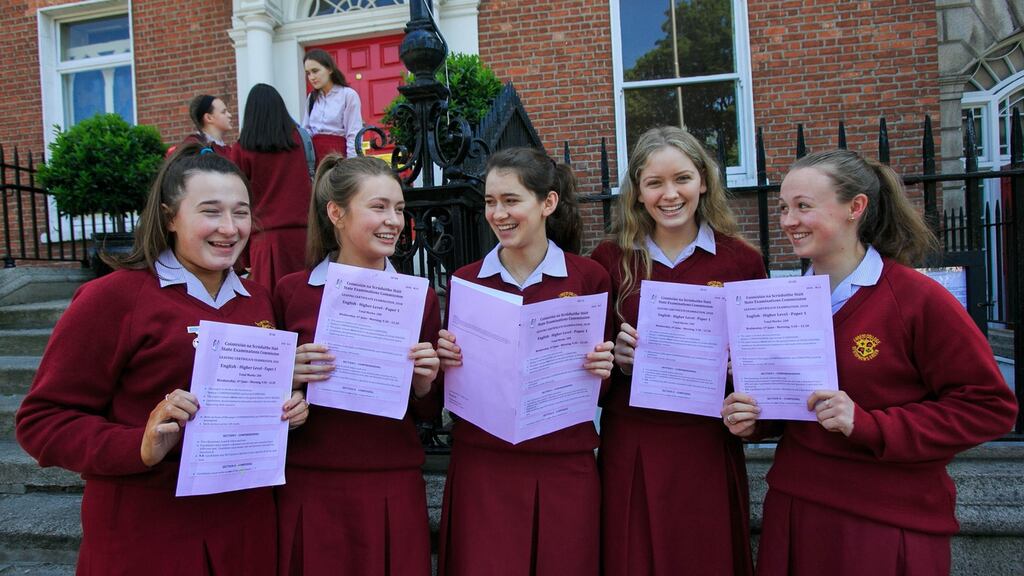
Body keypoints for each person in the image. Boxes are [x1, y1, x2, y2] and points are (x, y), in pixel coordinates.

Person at [15, 144, 309, 575]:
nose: (229, 228)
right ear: (171, 217)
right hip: (149, 531)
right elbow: (40, 422)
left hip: (246, 530)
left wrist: (289, 408)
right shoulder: (113, 297)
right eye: (210, 211)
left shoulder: (259, 300)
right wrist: (139, 443)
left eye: (241, 212)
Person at [721, 149, 1019, 575]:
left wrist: (868, 424)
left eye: (804, 207)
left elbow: (989, 408)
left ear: (855, 208)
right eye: (784, 208)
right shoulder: (779, 302)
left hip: (886, 520)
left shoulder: (916, 298)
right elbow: (790, 407)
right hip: (796, 508)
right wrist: (754, 421)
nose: (788, 221)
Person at [589, 126, 764, 576]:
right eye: (654, 183)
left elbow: (762, 369)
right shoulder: (608, 259)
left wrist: (738, 367)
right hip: (633, 439)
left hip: (707, 440)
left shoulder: (742, 261)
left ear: (704, 180)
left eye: (682, 178)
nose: (670, 194)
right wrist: (615, 358)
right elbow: (586, 368)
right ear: (638, 192)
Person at [435, 146, 615, 576]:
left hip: (562, 465)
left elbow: (604, 389)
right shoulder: (465, 280)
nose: (498, 213)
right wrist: (445, 362)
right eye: (490, 202)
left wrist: (602, 369)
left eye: (511, 200)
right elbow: (449, 388)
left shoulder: (588, 278)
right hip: (484, 465)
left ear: (547, 203)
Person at [274, 154, 441, 575]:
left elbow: (428, 411)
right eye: (379, 207)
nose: (394, 221)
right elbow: (261, 399)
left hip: (391, 477)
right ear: (337, 213)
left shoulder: (418, 295)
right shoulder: (291, 292)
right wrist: (287, 376)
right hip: (311, 480)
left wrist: (425, 383)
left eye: (399, 209)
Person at [230, 83, 315, 292]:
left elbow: (235, 199)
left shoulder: (242, 149)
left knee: (268, 309)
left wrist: (241, 254)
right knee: (304, 303)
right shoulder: (300, 140)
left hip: (264, 241)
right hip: (304, 237)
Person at [302, 49, 363, 161]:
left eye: (315, 71)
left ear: (329, 69)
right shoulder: (311, 98)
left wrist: (351, 164)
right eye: (308, 73)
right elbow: (306, 132)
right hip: (314, 158)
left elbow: (354, 133)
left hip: (338, 156)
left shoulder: (348, 95)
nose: (311, 77)